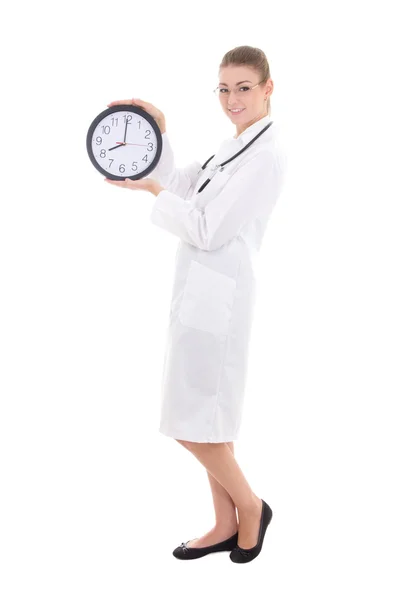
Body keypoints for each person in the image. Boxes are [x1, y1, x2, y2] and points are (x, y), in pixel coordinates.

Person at [105, 45, 288, 563]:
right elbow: (184, 184)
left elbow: (206, 227)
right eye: (225, 88)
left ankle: (251, 507)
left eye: (244, 87)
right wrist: (157, 135)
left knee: (195, 421)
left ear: (268, 88)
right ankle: (223, 522)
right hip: (201, 296)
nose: (232, 98)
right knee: (211, 421)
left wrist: (152, 192)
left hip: (222, 301)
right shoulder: (232, 148)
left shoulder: (266, 155)